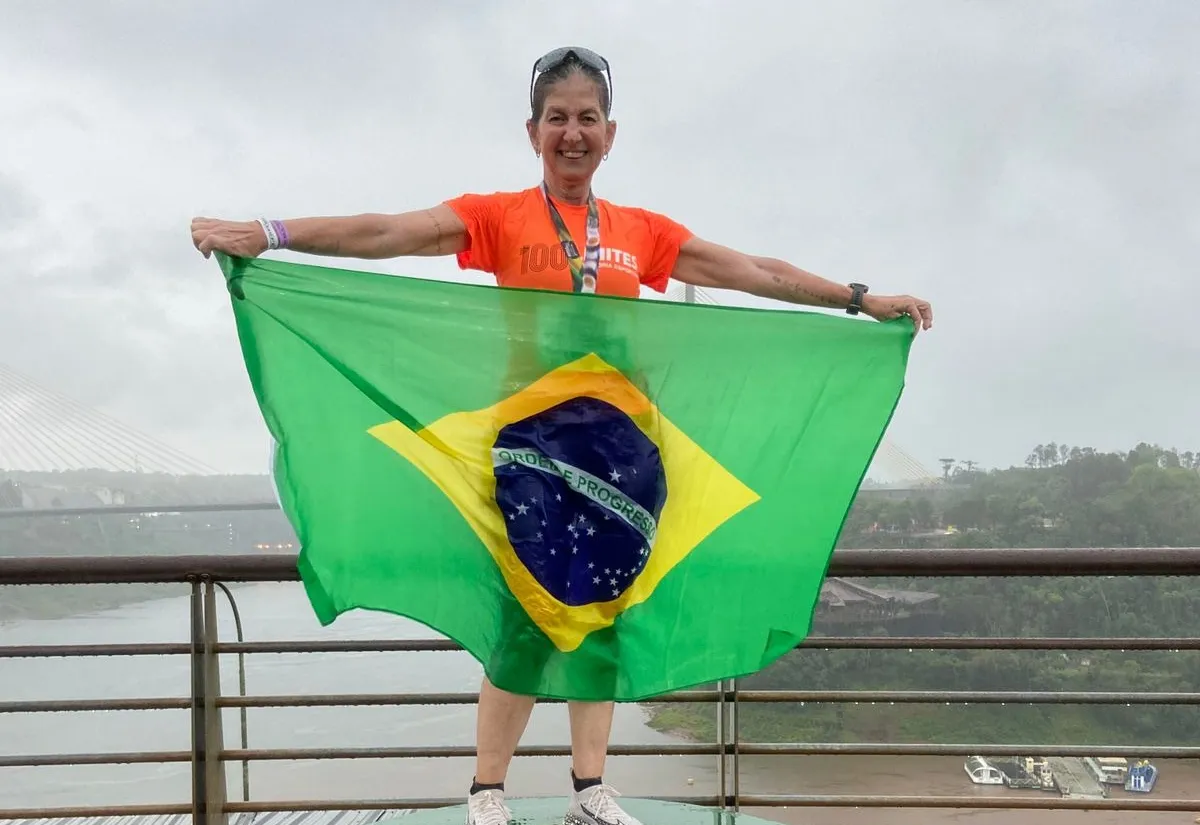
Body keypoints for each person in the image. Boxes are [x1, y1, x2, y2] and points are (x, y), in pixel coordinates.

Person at [192, 46, 933, 825]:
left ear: (610, 134)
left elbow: (746, 269)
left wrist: (856, 298)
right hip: (531, 449)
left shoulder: (640, 230)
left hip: (623, 452)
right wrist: (268, 231)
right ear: (532, 131)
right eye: (557, 119)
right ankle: (487, 790)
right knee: (523, 621)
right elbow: (387, 231)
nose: (572, 133)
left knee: (607, 614)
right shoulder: (498, 215)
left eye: (587, 119)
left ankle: (590, 789)